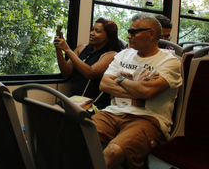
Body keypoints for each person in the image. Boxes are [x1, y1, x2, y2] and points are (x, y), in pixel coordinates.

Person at [92, 13, 182, 169]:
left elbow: (148, 91)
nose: (128, 36)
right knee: (74, 135)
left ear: (151, 33)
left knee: (113, 152)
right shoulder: (123, 54)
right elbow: (104, 84)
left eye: (133, 32)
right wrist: (138, 88)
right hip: (112, 113)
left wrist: (119, 78)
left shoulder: (170, 61)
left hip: (148, 118)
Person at [53, 17, 121, 111]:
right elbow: (66, 71)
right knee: (53, 111)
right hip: (75, 99)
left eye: (97, 31)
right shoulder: (82, 48)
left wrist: (67, 49)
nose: (92, 33)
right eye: (92, 29)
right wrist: (59, 50)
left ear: (108, 37)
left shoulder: (111, 55)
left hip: (93, 103)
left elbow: (90, 73)